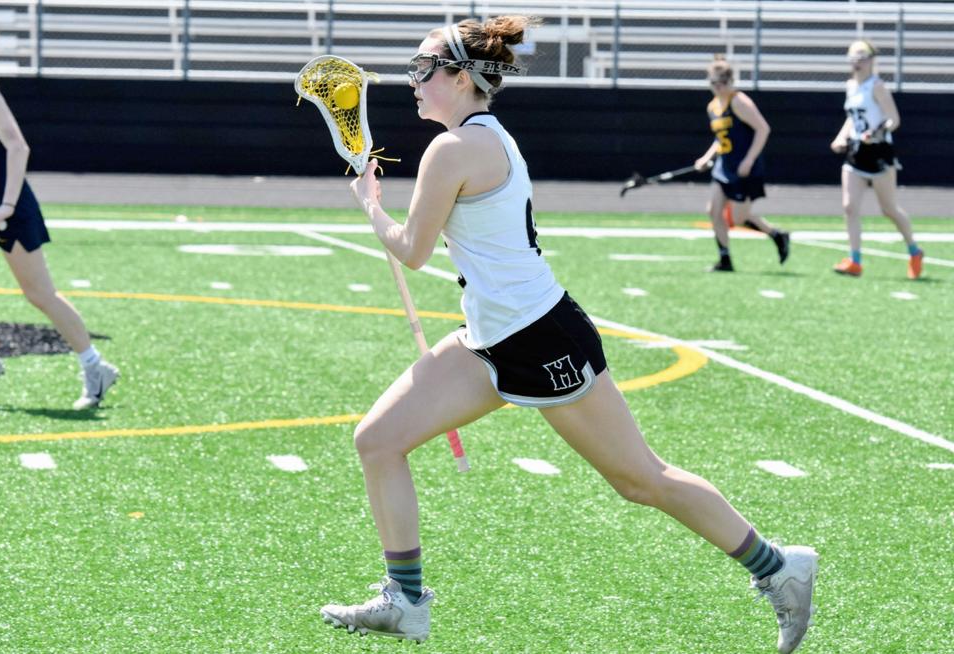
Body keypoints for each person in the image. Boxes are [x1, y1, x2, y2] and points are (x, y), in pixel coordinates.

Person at [320, 16, 818, 653]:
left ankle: (780, 570)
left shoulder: (455, 149)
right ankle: (405, 600)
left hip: (540, 338)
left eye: (423, 68)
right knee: (379, 440)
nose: (413, 81)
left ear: (462, 77)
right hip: (490, 339)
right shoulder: (480, 135)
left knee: (641, 480)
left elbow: (413, 250)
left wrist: (369, 202)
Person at [0, 11, 118, 409]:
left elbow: (18, 147)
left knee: (39, 294)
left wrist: (7, 205)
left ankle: (94, 366)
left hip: (8, 209)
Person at [829, 40, 924, 279]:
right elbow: (852, 118)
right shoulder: (850, 86)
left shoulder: (877, 86)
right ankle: (855, 261)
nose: (857, 61)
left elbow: (893, 119)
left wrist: (879, 132)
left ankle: (914, 250)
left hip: (879, 152)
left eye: (862, 57)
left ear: (871, 60)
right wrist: (841, 137)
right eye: (854, 57)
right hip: (856, 152)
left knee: (889, 209)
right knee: (849, 207)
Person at [695, 55, 789, 272]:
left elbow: (763, 129)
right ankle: (724, 258)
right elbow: (721, 138)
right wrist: (707, 158)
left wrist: (749, 159)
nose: (717, 88)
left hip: (743, 168)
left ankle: (777, 235)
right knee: (713, 210)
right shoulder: (712, 107)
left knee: (738, 218)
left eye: (722, 83)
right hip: (724, 166)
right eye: (713, 83)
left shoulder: (738, 101)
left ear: (730, 82)